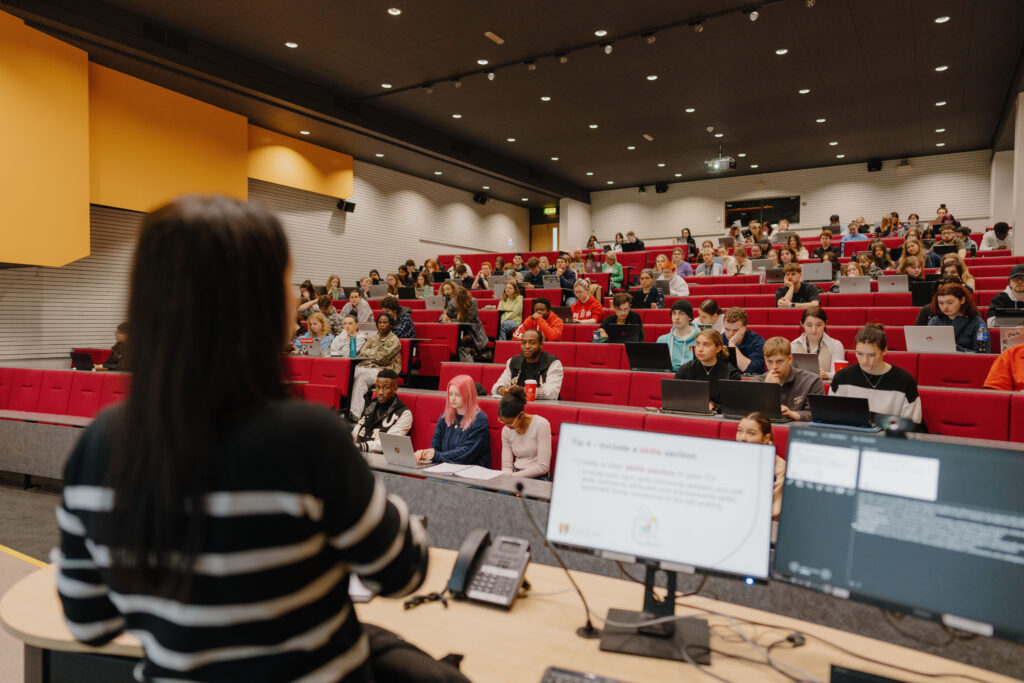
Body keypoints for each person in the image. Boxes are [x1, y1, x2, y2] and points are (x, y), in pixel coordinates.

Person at [56, 195, 427, 682]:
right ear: (259, 305)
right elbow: (402, 573)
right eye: (286, 280)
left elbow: (90, 623)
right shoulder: (308, 439)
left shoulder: (99, 445)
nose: (296, 296)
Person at [831, 324, 923, 424]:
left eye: (872, 355)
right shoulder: (842, 378)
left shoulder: (905, 381)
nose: (864, 360)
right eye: (860, 354)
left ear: (884, 351)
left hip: (889, 433)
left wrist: (884, 428)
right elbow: (832, 417)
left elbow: (911, 424)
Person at [415, 374, 490, 467]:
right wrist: (426, 453)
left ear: (468, 395)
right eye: (450, 394)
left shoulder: (480, 419)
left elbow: (466, 452)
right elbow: (436, 445)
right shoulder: (445, 416)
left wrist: (436, 455)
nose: (453, 398)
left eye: (458, 395)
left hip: (470, 469)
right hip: (446, 467)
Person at [755, 337, 825, 421]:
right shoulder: (757, 382)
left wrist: (791, 414)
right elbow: (750, 413)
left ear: (790, 359)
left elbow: (817, 414)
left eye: (779, 361)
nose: (774, 367)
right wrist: (767, 388)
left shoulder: (812, 381)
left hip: (797, 427)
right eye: (769, 362)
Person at [734, 412, 787, 520]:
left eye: (751, 433)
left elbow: (775, 511)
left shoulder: (779, 466)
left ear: (766, 438)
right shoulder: (730, 458)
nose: (742, 438)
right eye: (739, 431)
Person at [349, 312, 401, 420]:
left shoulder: (394, 341)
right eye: (380, 322)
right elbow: (362, 352)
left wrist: (370, 353)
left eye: (385, 322)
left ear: (391, 325)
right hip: (368, 367)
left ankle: (355, 414)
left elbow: (382, 358)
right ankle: (344, 408)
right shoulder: (372, 338)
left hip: (384, 370)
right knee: (349, 373)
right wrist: (375, 353)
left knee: (362, 377)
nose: (382, 325)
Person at [674, 329, 742, 411]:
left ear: (718, 349)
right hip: (689, 414)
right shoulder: (685, 369)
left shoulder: (731, 373)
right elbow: (674, 399)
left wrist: (714, 407)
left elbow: (735, 406)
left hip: (718, 416)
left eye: (706, 345)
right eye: (698, 344)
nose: (700, 349)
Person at [496, 387, 553, 480]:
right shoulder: (506, 430)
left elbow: (543, 467)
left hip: (537, 476)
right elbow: (506, 466)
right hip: (514, 474)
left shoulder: (541, 424)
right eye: (503, 422)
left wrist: (513, 477)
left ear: (521, 415)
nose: (507, 426)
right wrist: (508, 478)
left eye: (510, 422)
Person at [351, 369, 413, 453]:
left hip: (381, 458)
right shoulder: (370, 407)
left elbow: (390, 443)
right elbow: (356, 433)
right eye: (377, 387)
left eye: (385, 388)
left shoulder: (404, 414)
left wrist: (359, 447)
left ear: (395, 389)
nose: (380, 392)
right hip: (360, 453)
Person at [492, 329, 564, 399]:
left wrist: (523, 391)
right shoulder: (513, 361)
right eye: (523, 343)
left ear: (541, 345)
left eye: (532, 343)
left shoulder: (553, 363)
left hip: (545, 406)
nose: (527, 346)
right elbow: (497, 385)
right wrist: (501, 390)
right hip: (518, 404)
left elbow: (552, 393)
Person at [927, 283, 986, 352]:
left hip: (965, 358)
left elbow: (982, 353)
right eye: (941, 303)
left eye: (950, 303)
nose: (945, 307)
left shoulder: (978, 324)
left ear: (962, 300)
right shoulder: (935, 321)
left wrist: (957, 349)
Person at [790, 306, 845, 380]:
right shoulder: (793, 345)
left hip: (825, 386)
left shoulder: (835, 345)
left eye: (818, 325)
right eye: (809, 325)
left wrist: (827, 375)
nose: (814, 330)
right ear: (802, 324)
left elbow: (839, 375)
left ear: (825, 324)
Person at [442, 284, 488, 358]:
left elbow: (468, 319)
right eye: (454, 298)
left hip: (472, 329)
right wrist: (443, 319)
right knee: (451, 339)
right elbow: (445, 314)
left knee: (463, 340)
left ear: (462, 298)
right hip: (458, 329)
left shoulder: (473, 301)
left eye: (456, 298)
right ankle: (462, 355)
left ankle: (467, 355)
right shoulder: (453, 302)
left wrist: (451, 321)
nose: (454, 300)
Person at [657, 299, 698, 370]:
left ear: (690, 317)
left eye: (681, 313)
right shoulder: (662, 340)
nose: (676, 317)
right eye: (674, 313)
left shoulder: (700, 340)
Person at [723, 307, 765, 373]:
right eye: (727, 329)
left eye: (736, 330)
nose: (731, 334)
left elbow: (748, 369)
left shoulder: (758, 342)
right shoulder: (720, 339)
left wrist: (732, 344)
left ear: (744, 328)